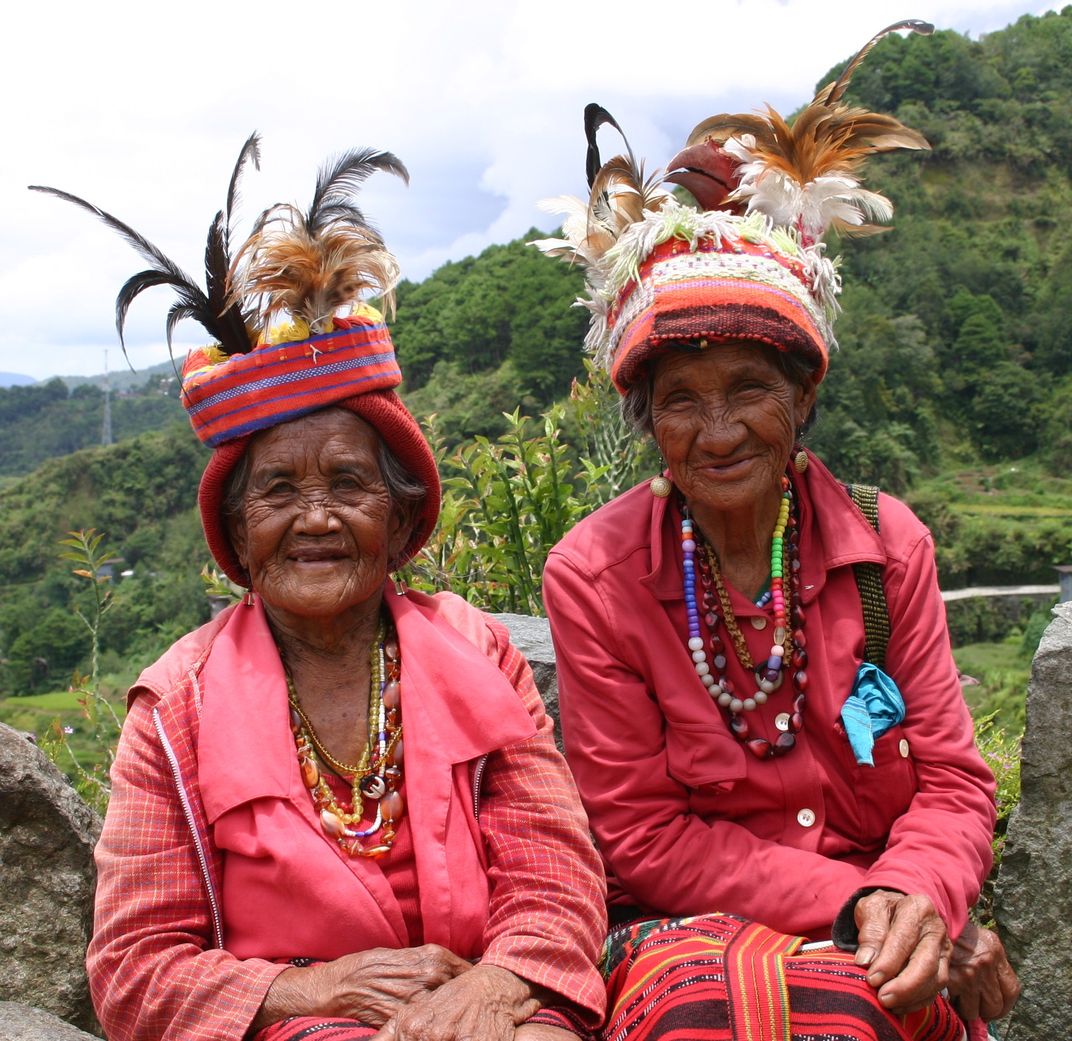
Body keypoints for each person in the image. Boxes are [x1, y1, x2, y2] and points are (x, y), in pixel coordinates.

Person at [34, 136, 606, 1041]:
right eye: (279, 490)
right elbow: (134, 967)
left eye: (348, 484)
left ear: (399, 513)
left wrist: (498, 987)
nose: (316, 518)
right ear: (236, 527)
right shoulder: (174, 709)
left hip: (482, 1008)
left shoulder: (476, 649)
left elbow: (553, 875)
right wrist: (311, 989)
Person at [537, 24, 1019, 1041]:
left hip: (880, 914)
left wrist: (917, 894)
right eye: (680, 401)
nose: (717, 432)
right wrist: (844, 906)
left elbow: (949, 781)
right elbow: (639, 835)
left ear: (804, 397)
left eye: (750, 389)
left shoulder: (888, 552)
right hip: (683, 931)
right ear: (646, 419)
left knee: (868, 1000)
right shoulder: (596, 575)